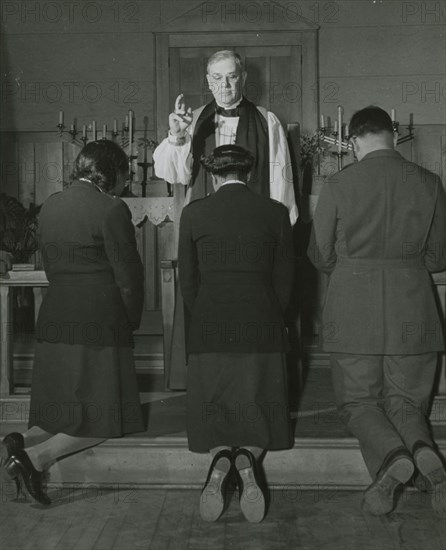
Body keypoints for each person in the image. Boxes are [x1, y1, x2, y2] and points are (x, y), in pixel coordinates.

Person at [308, 106, 446, 516]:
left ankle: (392, 458)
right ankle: (421, 449)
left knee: (358, 403)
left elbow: (319, 255)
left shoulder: (338, 183)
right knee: (406, 402)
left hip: (353, 310)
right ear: (394, 134)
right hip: (413, 308)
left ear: (353, 142)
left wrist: (352, 267)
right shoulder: (428, 182)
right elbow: (439, 258)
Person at [0, 140, 145, 506]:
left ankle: (20, 441)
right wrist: (130, 320)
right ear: (109, 172)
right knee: (103, 420)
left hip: (55, 314)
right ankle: (34, 458)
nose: (125, 184)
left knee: (61, 408)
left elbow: (50, 264)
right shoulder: (111, 209)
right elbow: (129, 277)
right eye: (124, 175)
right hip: (97, 319)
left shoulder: (51, 205)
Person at [178, 144, 295, 523]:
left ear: (213, 176)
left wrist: (205, 313)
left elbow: (188, 280)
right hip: (261, 321)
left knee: (214, 403)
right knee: (259, 403)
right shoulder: (275, 213)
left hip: (210, 322)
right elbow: (286, 279)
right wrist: (271, 311)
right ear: (250, 174)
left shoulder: (194, 213)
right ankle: (246, 458)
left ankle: (220, 462)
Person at [153, 49, 298, 225]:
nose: (225, 85)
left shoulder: (267, 120)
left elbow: (281, 180)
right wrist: (177, 135)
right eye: (217, 77)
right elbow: (174, 176)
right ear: (208, 81)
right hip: (206, 223)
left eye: (232, 76)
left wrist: (280, 226)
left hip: (253, 221)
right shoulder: (194, 120)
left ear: (243, 78)